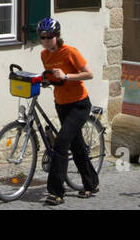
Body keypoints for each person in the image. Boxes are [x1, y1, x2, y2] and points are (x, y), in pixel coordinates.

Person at [36, 16, 99, 205]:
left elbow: (89, 74)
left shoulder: (70, 52)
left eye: (49, 36)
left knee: (61, 144)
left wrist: (66, 76)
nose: (46, 40)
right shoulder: (44, 55)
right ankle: (91, 183)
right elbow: (53, 79)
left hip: (79, 104)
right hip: (61, 104)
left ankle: (56, 192)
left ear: (57, 35)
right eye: (42, 37)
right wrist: (44, 79)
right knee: (77, 146)